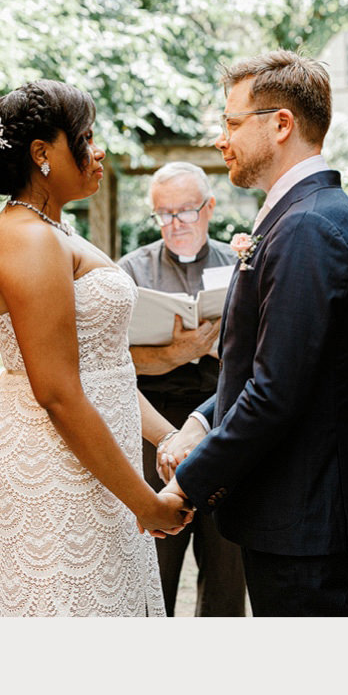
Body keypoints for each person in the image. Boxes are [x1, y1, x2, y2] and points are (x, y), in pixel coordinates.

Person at [160, 50, 348, 616]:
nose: (220, 138)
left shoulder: (309, 227)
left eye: (232, 122)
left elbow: (277, 392)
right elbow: (267, 364)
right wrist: (201, 419)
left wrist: (187, 482)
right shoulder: (301, 215)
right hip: (292, 509)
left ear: (281, 124)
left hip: (304, 513)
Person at [0, 79, 192, 616]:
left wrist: (169, 436)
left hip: (97, 458)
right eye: (85, 138)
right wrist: (146, 504)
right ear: (42, 154)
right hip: (59, 464)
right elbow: (60, 392)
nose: (99, 151)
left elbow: (103, 368)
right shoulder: (28, 239)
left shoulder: (54, 229)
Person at [118, 162, 247, 617]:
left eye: (185, 213)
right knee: (154, 562)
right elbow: (107, 361)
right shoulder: (129, 271)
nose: (174, 224)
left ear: (209, 208)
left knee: (227, 560)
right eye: (163, 214)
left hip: (225, 419)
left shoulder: (240, 266)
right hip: (155, 420)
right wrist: (178, 351)